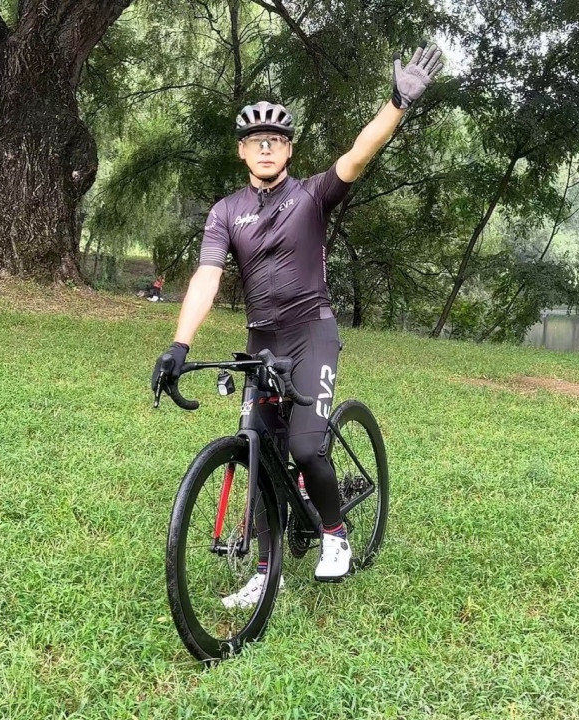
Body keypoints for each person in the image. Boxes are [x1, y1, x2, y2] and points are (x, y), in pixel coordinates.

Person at [152, 42, 443, 606]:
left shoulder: (311, 195)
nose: (266, 148)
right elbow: (207, 276)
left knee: (307, 447)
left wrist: (397, 104)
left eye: (276, 140)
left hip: (312, 333)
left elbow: (358, 153)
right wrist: (179, 344)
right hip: (262, 342)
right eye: (256, 141)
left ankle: (335, 534)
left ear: (288, 149)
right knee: (260, 450)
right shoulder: (225, 212)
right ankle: (268, 571)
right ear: (242, 151)